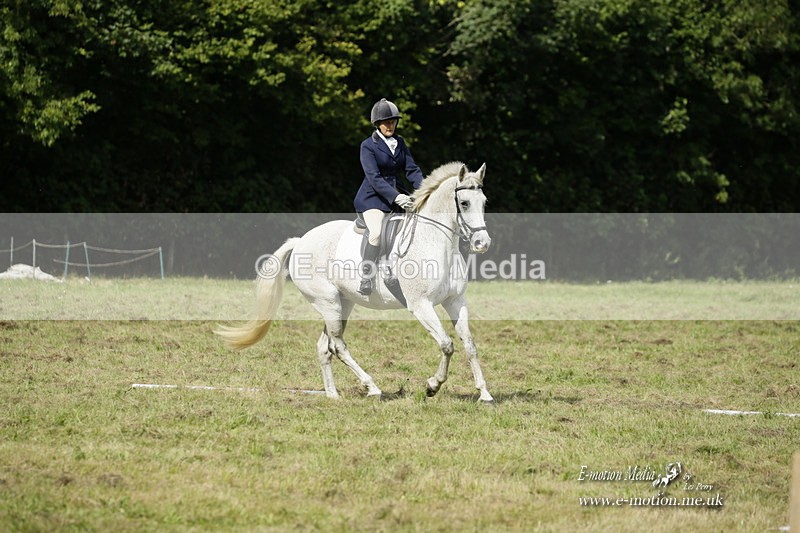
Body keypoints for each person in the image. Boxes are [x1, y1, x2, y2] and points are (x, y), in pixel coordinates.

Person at [354, 98, 424, 295]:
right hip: (372, 198)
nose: (390, 125)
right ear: (377, 124)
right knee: (376, 232)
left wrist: (425, 190)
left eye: (393, 121)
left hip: (397, 195)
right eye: (386, 122)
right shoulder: (368, 145)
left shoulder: (400, 143)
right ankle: (366, 276)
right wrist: (396, 197)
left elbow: (412, 170)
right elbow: (374, 178)